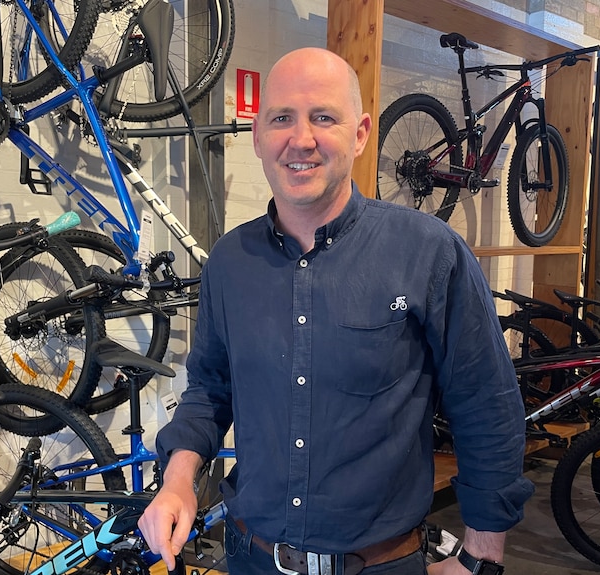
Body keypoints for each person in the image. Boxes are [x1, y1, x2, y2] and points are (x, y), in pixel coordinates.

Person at [138, 47, 534, 575]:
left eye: (323, 117)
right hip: (249, 558)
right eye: (282, 118)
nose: (301, 140)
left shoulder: (428, 252)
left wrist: (481, 558)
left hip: (382, 565)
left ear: (361, 133)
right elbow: (210, 391)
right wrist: (178, 480)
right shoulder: (229, 263)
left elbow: (486, 404)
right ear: (258, 135)